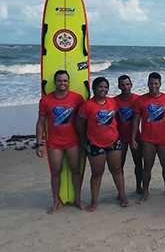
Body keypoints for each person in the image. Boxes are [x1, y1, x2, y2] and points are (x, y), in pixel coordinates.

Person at [35, 70, 86, 214]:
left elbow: (83, 121)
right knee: (56, 171)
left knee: (76, 170)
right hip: (54, 143)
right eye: (59, 81)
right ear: (55, 82)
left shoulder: (77, 98)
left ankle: (78, 199)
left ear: (69, 82)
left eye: (65, 81)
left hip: (73, 142)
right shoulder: (46, 100)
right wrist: (39, 144)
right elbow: (40, 123)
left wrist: (84, 141)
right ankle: (55, 202)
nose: (62, 83)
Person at [76, 77, 129, 211]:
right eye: (100, 87)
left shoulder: (112, 102)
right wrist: (83, 140)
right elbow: (79, 124)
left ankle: (122, 196)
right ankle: (94, 202)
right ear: (94, 88)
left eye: (105, 87)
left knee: (117, 170)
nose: (103, 89)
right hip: (95, 143)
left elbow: (116, 118)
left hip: (113, 141)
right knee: (97, 173)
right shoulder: (87, 105)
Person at [131, 72, 165, 203]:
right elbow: (136, 121)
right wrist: (132, 138)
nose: (153, 86)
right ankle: (145, 191)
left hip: (164, 138)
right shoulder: (141, 100)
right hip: (147, 139)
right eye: (151, 84)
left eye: (156, 84)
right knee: (147, 166)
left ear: (160, 84)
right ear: (147, 84)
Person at [114, 75, 142, 194]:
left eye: (127, 84)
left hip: (136, 137)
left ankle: (138, 187)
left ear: (131, 85)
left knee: (138, 163)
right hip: (120, 138)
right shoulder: (114, 101)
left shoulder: (138, 100)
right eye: (122, 85)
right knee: (119, 166)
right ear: (119, 86)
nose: (125, 87)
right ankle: (121, 190)